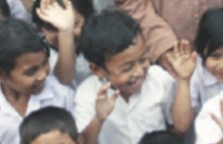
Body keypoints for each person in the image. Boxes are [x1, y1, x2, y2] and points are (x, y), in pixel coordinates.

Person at [74, 10, 195, 144]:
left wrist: (183, 80)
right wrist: (99, 118)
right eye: (127, 68)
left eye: (143, 60)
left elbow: (181, 126)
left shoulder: (159, 79)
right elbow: (82, 142)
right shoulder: (88, 94)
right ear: (97, 70)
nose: (139, 72)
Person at [0, 19, 75, 144]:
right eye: (31, 72)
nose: (42, 75)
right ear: (0, 74)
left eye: (44, 63)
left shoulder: (61, 95)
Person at [33, 0, 94, 87]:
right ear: (41, 28)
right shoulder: (38, 52)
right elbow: (65, 80)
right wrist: (65, 31)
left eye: (74, 24)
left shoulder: (99, 38)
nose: (60, 35)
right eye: (52, 28)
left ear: (86, 17)